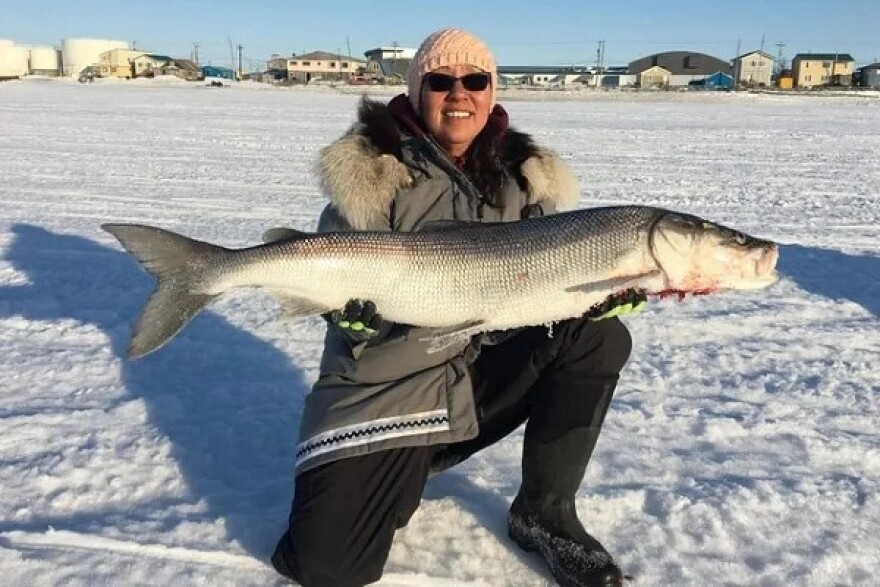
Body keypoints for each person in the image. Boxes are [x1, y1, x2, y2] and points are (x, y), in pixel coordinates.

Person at [271, 28, 645, 587]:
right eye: (441, 81)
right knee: (327, 567)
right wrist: (340, 315)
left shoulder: (524, 178)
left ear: (491, 91)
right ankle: (405, 463)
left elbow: (541, 288)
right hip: (383, 390)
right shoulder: (376, 171)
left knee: (596, 335)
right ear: (419, 90)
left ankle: (545, 513)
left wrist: (596, 295)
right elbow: (329, 267)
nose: (459, 94)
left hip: (473, 375)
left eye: (474, 80)